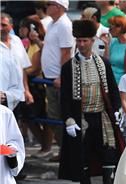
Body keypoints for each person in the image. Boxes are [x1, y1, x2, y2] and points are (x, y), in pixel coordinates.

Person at [58, 19, 124, 184]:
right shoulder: (68, 67)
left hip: (102, 117)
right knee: (83, 158)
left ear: (93, 41)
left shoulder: (103, 63)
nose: (81, 44)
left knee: (109, 156)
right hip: (82, 119)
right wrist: (68, 120)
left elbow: (113, 89)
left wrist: (117, 110)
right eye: (78, 41)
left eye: (85, 40)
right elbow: (65, 99)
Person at [40, 0, 74, 160]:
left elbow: (66, 52)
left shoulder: (64, 25)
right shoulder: (53, 24)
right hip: (51, 77)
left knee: (60, 116)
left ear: (59, 7)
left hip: (58, 79)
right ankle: (64, 151)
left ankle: (67, 151)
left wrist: (62, 76)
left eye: (49, 4)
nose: (46, 6)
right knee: (54, 116)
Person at [17, 16, 47, 151]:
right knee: (28, 119)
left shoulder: (35, 46)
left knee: (38, 118)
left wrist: (18, 73)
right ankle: (43, 145)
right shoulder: (26, 45)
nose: (20, 30)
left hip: (37, 88)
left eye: (23, 28)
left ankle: (46, 145)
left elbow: (35, 68)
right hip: (28, 84)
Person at [103, 15, 126, 84]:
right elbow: (106, 63)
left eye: (111, 28)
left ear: (119, 28)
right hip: (111, 82)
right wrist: (106, 45)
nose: (109, 30)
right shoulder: (113, 41)